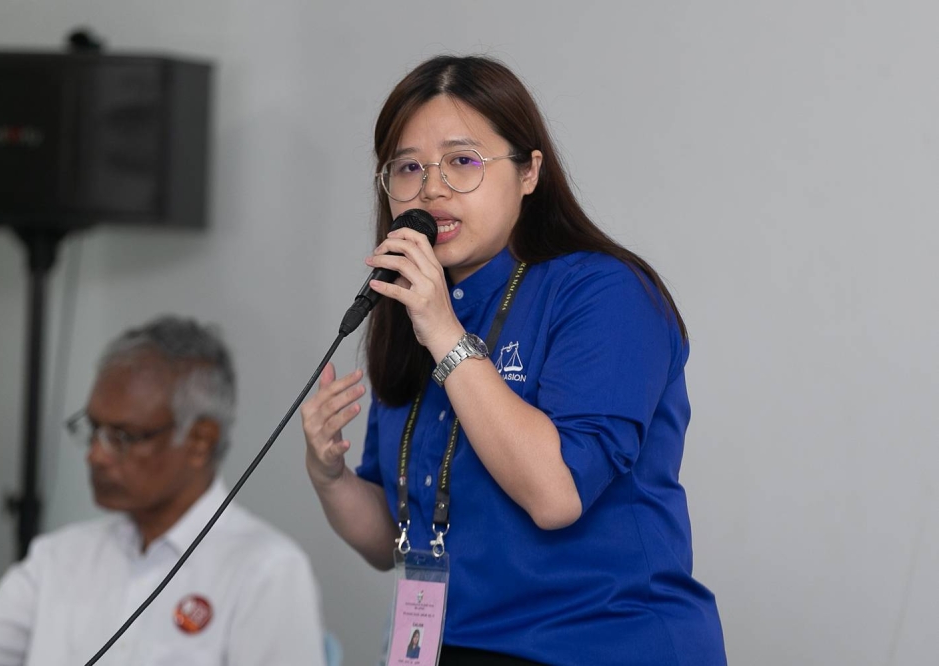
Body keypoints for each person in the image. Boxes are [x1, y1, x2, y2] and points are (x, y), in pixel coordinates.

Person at [301, 55, 726, 666]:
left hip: (598, 644)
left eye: (462, 161)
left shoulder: (604, 293)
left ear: (529, 172)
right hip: (448, 644)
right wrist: (330, 476)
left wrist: (444, 334)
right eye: (408, 167)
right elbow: (390, 537)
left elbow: (556, 496)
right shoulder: (419, 309)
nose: (432, 188)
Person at [0, 316, 326, 666]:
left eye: (122, 436)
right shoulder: (60, 558)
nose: (95, 454)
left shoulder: (265, 571)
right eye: (93, 429)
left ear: (199, 441)